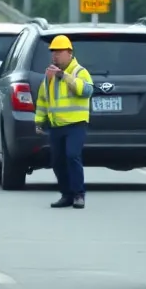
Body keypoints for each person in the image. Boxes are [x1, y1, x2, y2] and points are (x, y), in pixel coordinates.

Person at [34, 35, 93, 209]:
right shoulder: (49, 75)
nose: (55, 55)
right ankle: (66, 194)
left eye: (59, 52)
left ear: (69, 53)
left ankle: (78, 194)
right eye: (53, 52)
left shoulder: (79, 72)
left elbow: (87, 90)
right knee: (57, 161)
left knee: (72, 155)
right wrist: (39, 121)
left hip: (76, 124)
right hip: (57, 125)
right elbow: (43, 99)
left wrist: (64, 76)